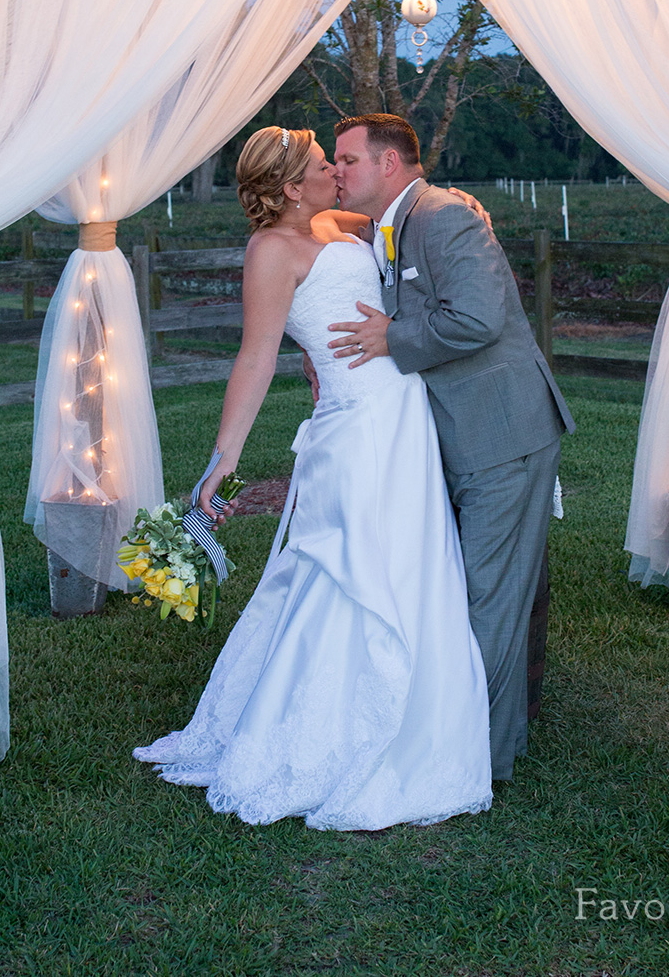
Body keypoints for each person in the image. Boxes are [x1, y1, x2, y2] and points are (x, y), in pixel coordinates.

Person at [133, 126, 493, 830]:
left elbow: (405, 209)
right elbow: (256, 357)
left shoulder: (338, 221)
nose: (334, 169)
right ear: (292, 187)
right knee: (347, 569)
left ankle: (419, 706)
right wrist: (225, 458)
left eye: (336, 160)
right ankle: (321, 733)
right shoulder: (271, 252)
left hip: (404, 418)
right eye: (320, 164)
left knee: (410, 565)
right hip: (355, 428)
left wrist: (462, 205)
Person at [328, 114, 574, 783]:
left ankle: (479, 762)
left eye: (348, 160)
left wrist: (392, 336)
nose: (337, 172)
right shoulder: (397, 221)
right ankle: (501, 728)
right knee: (491, 588)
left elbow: (477, 316)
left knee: (486, 595)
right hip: (464, 434)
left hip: (501, 431)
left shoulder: (440, 217)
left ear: (389, 163)